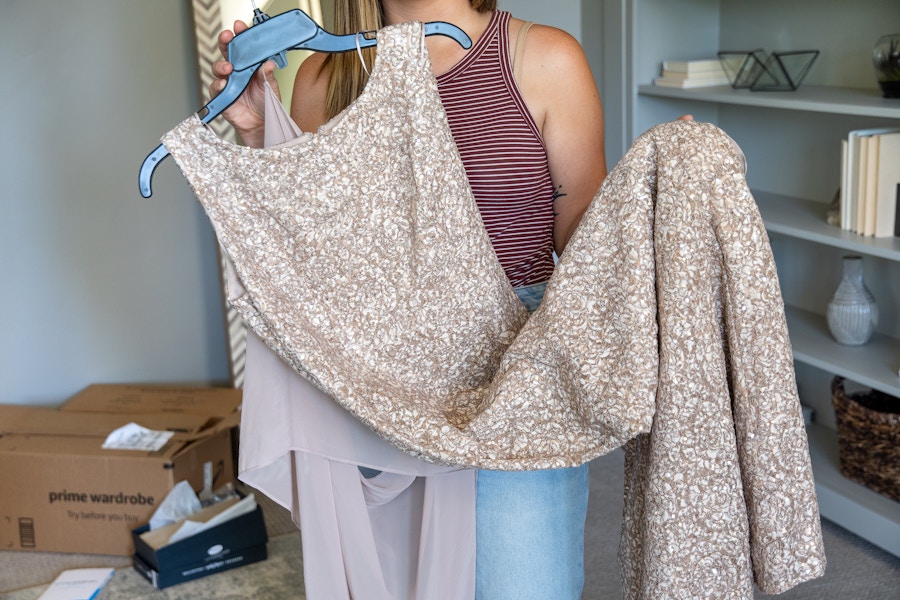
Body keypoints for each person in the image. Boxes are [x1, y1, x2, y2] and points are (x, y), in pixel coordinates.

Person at [210, 1, 606, 597]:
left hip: (519, 375)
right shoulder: (323, 79)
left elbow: (587, 246)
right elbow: (314, 266)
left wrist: (656, 207)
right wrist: (261, 133)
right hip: (385, 386)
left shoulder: (543, 59)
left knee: (523, 584)